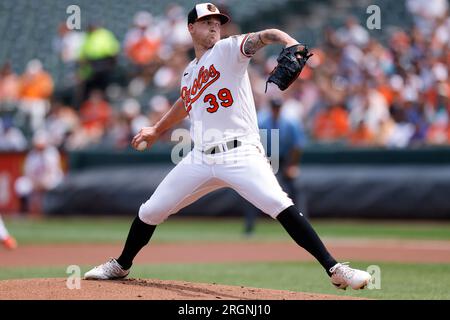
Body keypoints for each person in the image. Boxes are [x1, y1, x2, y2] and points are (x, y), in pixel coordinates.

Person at [84, 3, 372, 290]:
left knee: (278, 203)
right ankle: (121, 265)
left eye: (217, 21)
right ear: (190, 28)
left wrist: (289, 41)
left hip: (240, 153)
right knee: (150, 211)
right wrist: (156, 129)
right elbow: (186, 102)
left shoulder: (228, 49)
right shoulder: (189, 72)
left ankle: (335, 269)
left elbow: (265, 35)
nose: (213, 25)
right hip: (199, 157)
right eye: (206, 21)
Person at [243, 98, 306, 235]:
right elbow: (254, 144)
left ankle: (303, 225)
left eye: (278, 107)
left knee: (295, 189)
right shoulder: (262, 122)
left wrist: (292, 165)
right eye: (274, 107)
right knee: (253, 190)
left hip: (284, 159)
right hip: (266, 158)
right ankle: (249, 227)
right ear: (270, 108)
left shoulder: (289, 123)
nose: (276, 110)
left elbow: (297, 146)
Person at [14, 131, 64, 215]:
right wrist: (35, 182)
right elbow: (28, 172)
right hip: (35, 181)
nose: (40, 146)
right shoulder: (32, 154)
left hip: (51, 179)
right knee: (21, 184)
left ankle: (54, 211)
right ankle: (24, 210)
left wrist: (43, 181)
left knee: (57, 182)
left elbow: (52, 171)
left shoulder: (51, 152)